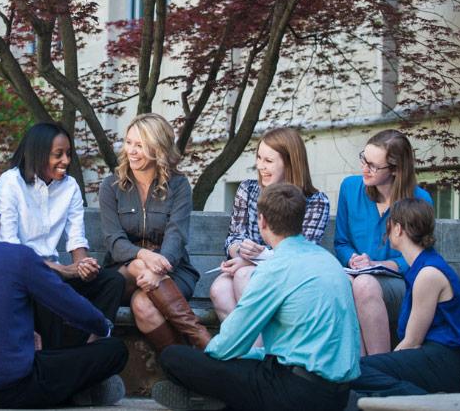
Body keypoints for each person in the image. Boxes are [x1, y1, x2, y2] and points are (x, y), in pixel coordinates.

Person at [152, 183, 360, 411]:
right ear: (300, 219)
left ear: (261, 221)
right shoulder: (328, 261)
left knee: (174, 357)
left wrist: (209, 363)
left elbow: (230, 344)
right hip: (339, 393)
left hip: (295, 391)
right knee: (250, 371)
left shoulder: (275, 268)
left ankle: (207, 397)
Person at [0, 189, 128, 409]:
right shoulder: (18, 256)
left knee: (46, 363)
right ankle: (76, 390)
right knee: (115, 351)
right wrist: (103, 328)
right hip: (16, 384)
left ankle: (70, 390)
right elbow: (68, 304)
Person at [0, 122, 124, 349]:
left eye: (68, 154)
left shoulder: (70, 186)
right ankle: (66, 358)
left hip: (55, 275)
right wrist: (62, 270)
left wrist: (83, 266)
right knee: (49, 291)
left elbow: (76, 238)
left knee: (113, 281)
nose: (66, 161)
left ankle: (92, 350)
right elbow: (11, 252)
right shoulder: (10, 184)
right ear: (38, 153)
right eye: (58, 154)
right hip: (22, 277)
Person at [99, 113, 210, 351]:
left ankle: (184, 367)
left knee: (143, 305)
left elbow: (176, 236)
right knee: (139, 265)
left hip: (173, 271)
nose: (132, 151)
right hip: (121, 274)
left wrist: (160, 268)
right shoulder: (111, 186)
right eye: (129, 142)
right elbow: (114, 241)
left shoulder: (178, 185)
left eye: (140, 145)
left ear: (158, 148)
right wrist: (145, 257)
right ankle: (200, 338)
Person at [349, 198, 460, 400]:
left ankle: (430, 405)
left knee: (356, 371)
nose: (387, 228)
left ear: (398, 229)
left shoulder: (428, 273)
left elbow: (412, 342)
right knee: (364, 374)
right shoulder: (424, 266)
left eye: (389, 223)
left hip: (441, 360)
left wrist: (385, 362)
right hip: (440, 360)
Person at [210, 127, 330, 327]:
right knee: (219, 290)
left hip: (290, 275)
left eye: (268, 161)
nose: (260, 166)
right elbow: (233, 237)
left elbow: (301, 252)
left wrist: (254, 259)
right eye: (259, 158)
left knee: (244, 276)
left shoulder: (315, 201)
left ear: (290, 162)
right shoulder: (248, 190)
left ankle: (262, 352)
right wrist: (241, 250)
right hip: (246, 264)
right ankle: (252, 353)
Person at [334, 129, 432, 356]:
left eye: (373, 166)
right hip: (356, 276)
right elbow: (341, 242)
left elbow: (420, 258)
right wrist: (354, 259)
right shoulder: (350, 188)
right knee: (344, 284)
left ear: (396, 170)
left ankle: (380, 365)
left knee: (364, 284)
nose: (364, 169)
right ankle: (360, 369)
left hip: (399, 284)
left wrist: (384, 266)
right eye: (363, 159)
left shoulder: (420, 200)